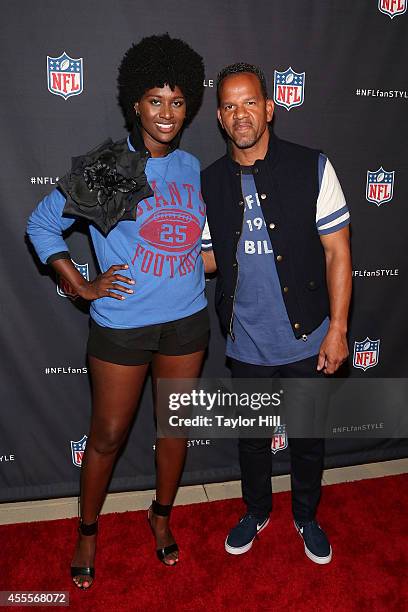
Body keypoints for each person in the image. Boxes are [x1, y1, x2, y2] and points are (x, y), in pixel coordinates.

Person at [27, 34, 208, 588]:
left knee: (174, 429)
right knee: (106, 435)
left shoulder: (193, 165)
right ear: (135, 101)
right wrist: (82, 285)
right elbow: (41, 223)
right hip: (123, 325)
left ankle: (161, 515)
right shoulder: (111, 165)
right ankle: (87, 529)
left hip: (187, 321)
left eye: (177, 102)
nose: (167, 113)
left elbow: (193, 242)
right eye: (156, 100)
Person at [201, 63, 352, 564]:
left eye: (249, 103)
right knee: (252, 441)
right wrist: (153, 241)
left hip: (309, 337)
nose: (239, 114)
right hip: (246, 342)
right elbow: (209, 257)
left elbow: (338, 252)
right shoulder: (210, 183)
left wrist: (338, 329)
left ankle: (306, 515)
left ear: (269, 108)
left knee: (308, 441)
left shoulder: (312, 166)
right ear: (220, 118)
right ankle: (257, 509)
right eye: (228, 105)